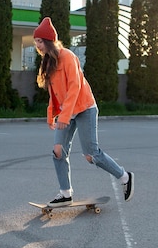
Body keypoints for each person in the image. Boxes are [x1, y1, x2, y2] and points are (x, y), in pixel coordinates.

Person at [33, 17, 134, 207]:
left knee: (91, 155)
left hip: (84, 108)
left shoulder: (68, 57)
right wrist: (52, 114)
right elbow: (55, 93)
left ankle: (124, 176)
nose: (37, 45)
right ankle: (65, 193)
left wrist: (64, 115)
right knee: (57, 151)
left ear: (48, 41)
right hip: (66, 111)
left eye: (39, 41)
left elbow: (75, 86)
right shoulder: (48, 62)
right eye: (36, 41)